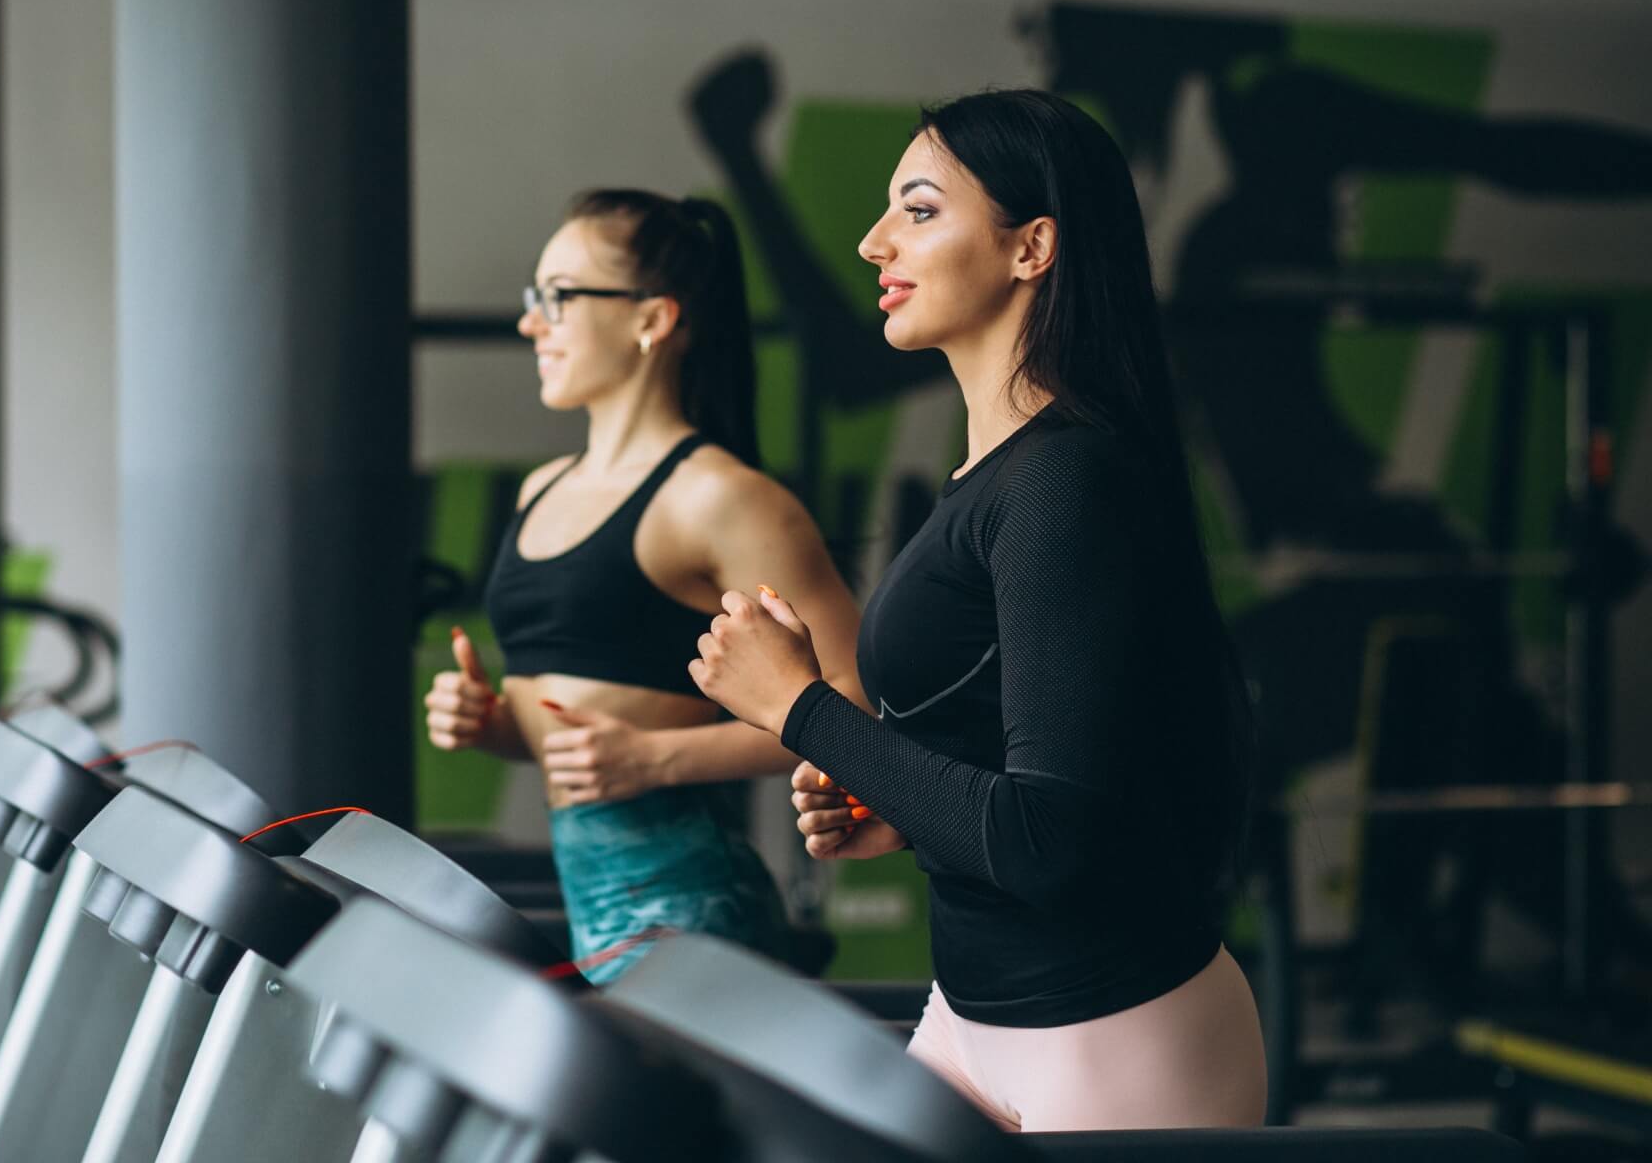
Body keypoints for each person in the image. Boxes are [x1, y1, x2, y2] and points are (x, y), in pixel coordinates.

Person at [689, 90, 1266, 1131]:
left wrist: (802, 708)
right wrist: (897, 811)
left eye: (917, 211)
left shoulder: (1063, 484)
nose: (873, 243)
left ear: (1031, 246)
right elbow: (1033, 774)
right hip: (975, 1011)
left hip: (1109, 1040)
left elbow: (1052, 837)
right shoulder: (1001, 476)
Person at [424, 189, 867, 982]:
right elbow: (592, 737)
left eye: (558, 297)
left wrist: (658, 759)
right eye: (536, 300)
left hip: (694, 915)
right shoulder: (541, 489)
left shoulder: (721, 499)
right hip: (596, 913)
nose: (532, 324)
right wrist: (495, 726)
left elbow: (856, 707)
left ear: (651, 319)